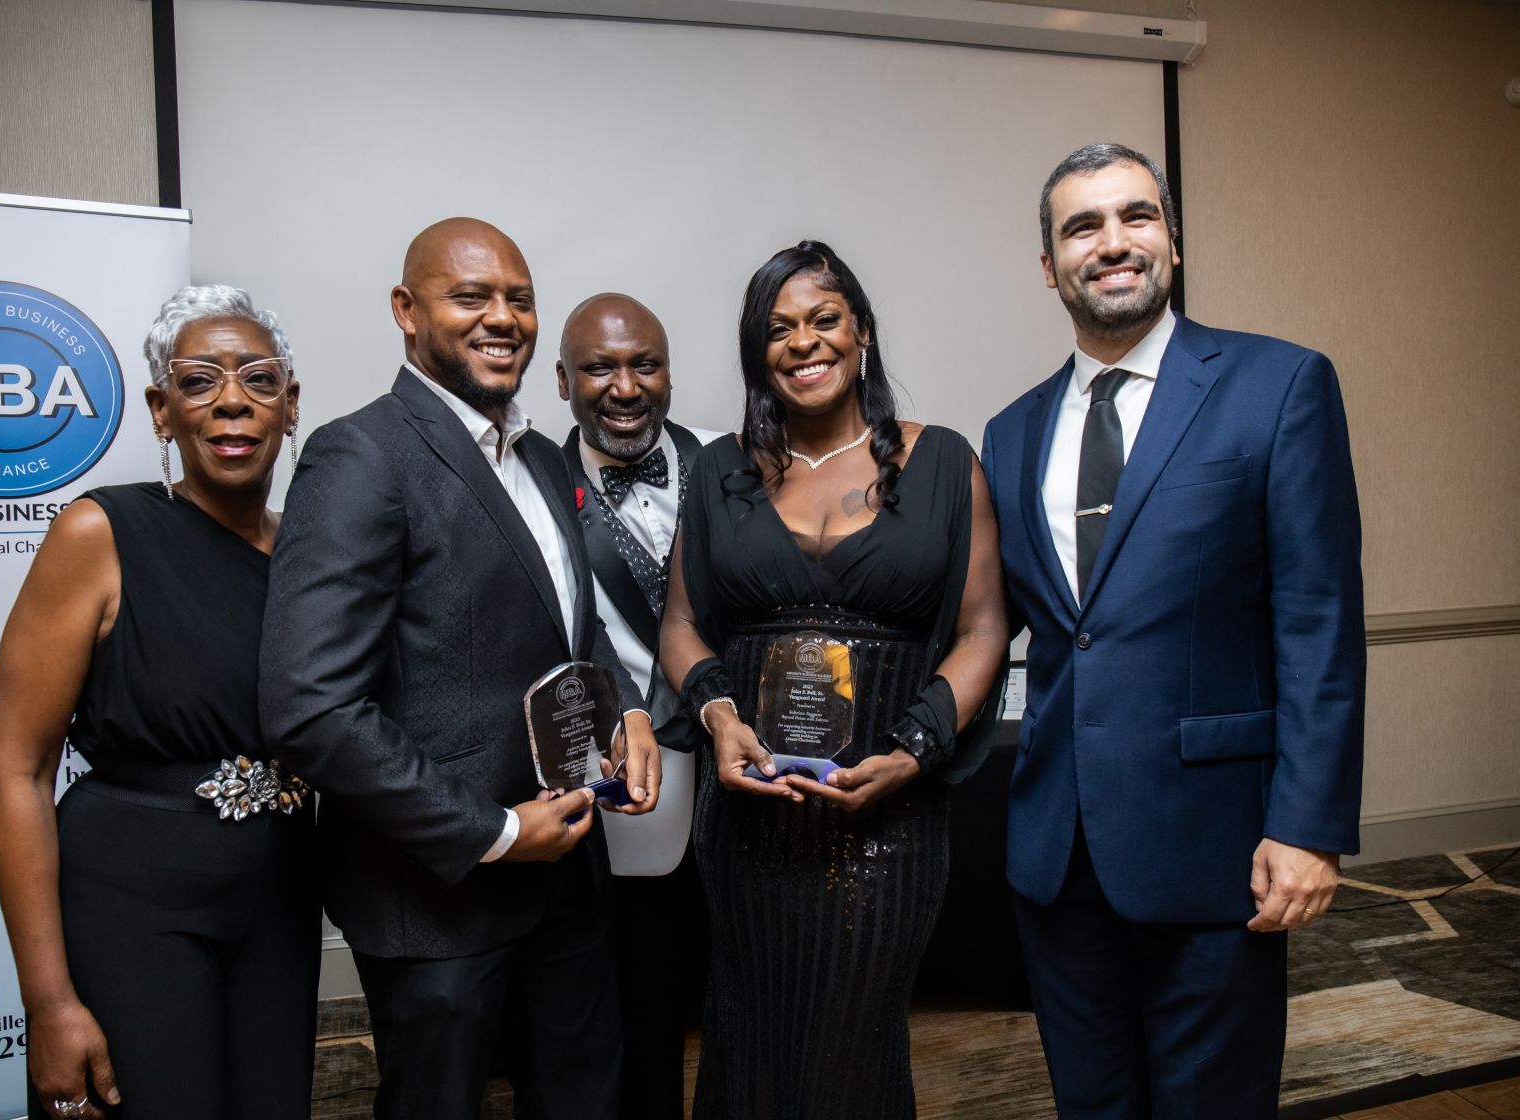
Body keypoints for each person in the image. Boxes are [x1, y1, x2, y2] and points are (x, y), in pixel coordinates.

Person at [981, 143, 1365, 1118]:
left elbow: (1317, 617)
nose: (1113, 243)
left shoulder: (1279, 386)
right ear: (1048, 266)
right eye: (1082, 226)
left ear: (1172, 240)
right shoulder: (1011, 431)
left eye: (1136, 217)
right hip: (1057, 859)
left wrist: (1307, 824)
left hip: (1217, 846)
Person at [259, 218, 661, 1120]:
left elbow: (572, 630)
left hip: (567, 878)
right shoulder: (360, 455)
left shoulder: (546, 455)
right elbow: (309, 707)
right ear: (407, 311)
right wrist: (495, 831)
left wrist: (625, 711)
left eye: (517, 299)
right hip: (438, 899)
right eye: (471, 296)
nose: (501, 318)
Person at [660, 240, 1008, 1120]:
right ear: (756, 349)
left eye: (824, 319)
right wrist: (718, 714)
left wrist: (915, 749)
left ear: (861, 332)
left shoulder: (942, 461)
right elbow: (683, 622)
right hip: (748, 826)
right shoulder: (718, 471)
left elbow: (982, 629)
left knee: (850, 1051)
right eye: (778, 328)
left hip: (887, 823)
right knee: (749, 1032)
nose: (803, 342)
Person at [0, 285, 317, 1120]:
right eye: (199, 381)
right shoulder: (99, 533)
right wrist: (49, 1004)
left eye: (258, 380)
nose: (231, 401)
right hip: (131, 904)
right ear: (162, 412)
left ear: (291, 405)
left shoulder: (315, 552)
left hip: (280, 899)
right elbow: (14, 770)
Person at [555, 292, 721, 1119]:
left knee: (722, 999)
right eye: (599, 367)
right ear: (562, 382)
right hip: (606, 785)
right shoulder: (535, 488)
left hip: (729, 782)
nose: (625, 386)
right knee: (609, 1006)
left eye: (644, 364)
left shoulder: (728, 469)